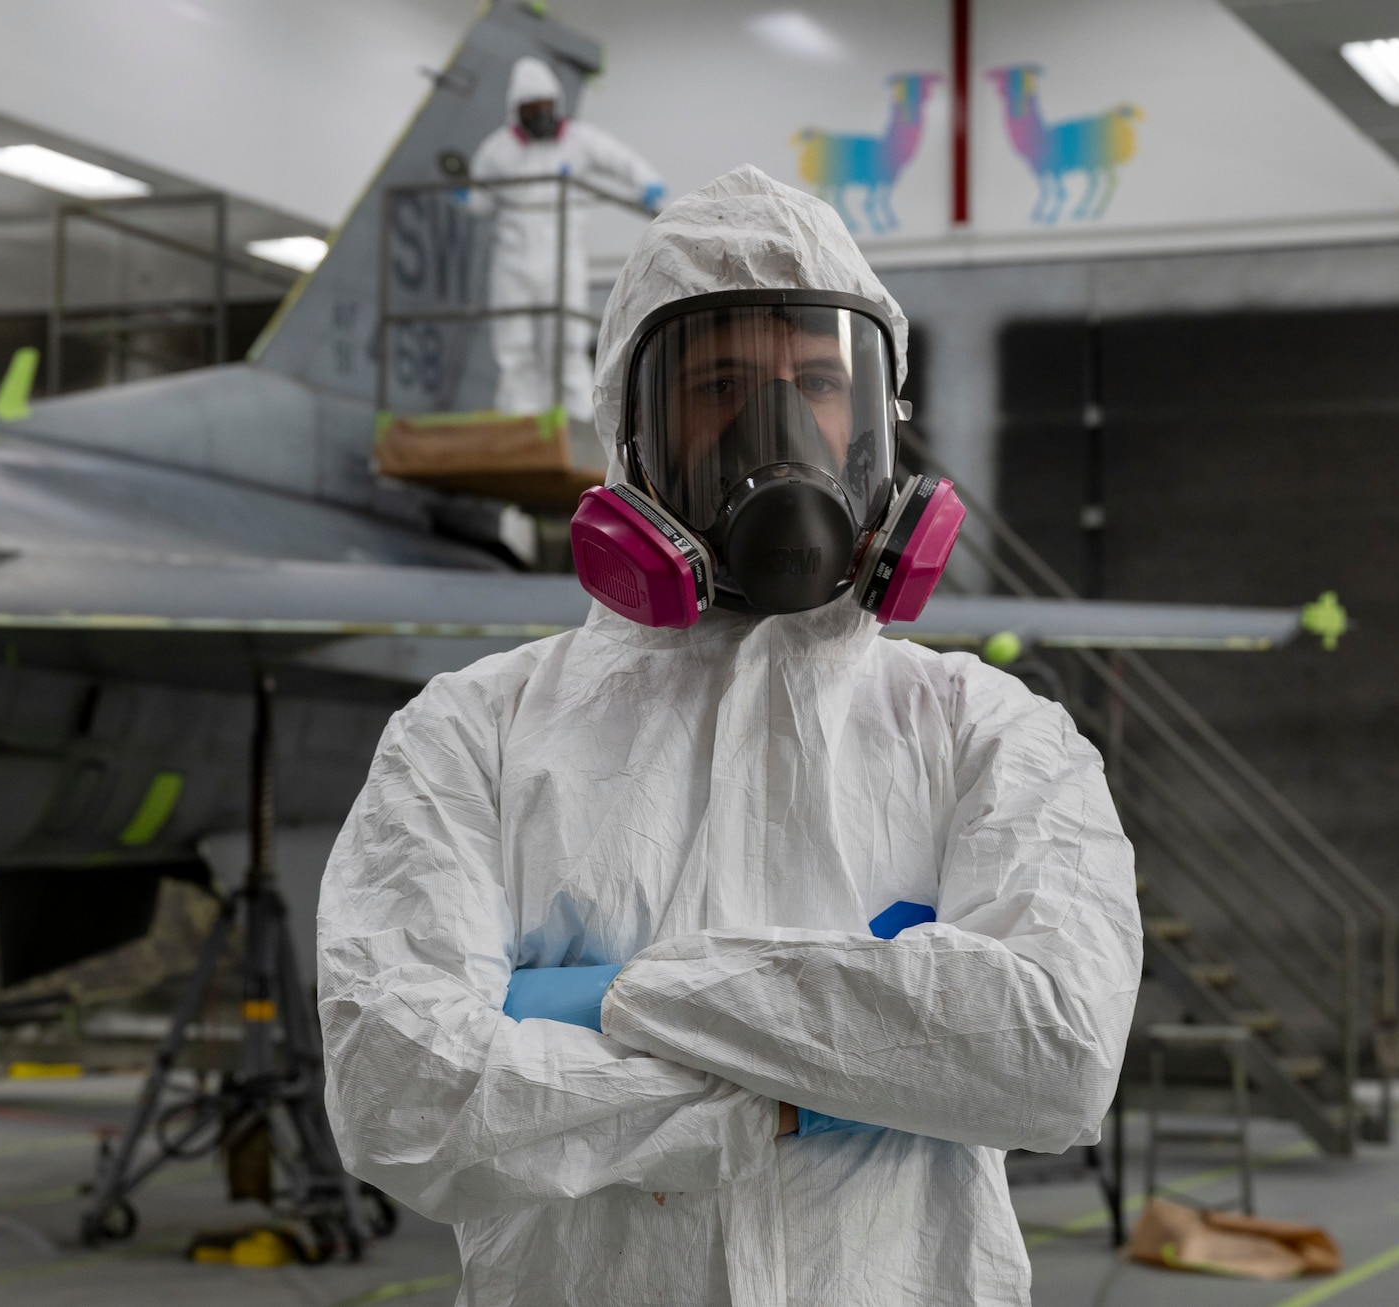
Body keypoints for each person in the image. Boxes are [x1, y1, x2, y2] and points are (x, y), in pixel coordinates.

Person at [318, 165, 1141, 1306]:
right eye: (717, 383)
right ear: (632, 431)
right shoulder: (472, 735)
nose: (781, 425)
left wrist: (590, 997)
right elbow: (402, 1093)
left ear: (873, 415)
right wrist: (856, 1066)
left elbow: (1052, 1055)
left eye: (817, 378)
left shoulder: (989, 735)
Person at [467, 55, 664, 422]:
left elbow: (621, 160)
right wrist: (468, 199)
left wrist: (646, 184)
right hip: (512, 259)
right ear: (517, 110)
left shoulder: (579, 141)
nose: (540, 113)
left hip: (562, 259)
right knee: (515, 346)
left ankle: (575, 422)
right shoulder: (497, 150)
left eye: (545, 106)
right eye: (532, 107)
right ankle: (519, 422)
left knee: (566, 342)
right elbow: (480, 199)